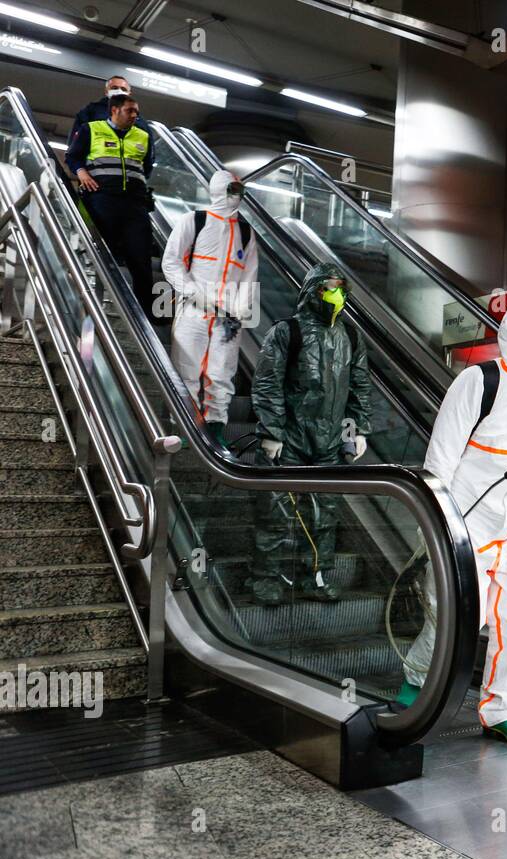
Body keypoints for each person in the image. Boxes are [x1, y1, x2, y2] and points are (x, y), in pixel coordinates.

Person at [398, 291, 507, 747]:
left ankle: (502, 709)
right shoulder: (478, 381)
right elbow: (441, 455)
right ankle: (418, 679)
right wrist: (433, 518)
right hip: (466, 514)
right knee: (454, 615)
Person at [248, 264, 372, 606]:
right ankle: (266, 579)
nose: (337, 294)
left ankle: (313, 577)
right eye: (329, 288)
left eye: (341, 288)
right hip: (288, 439)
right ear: (313, 290)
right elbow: (267, 383)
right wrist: (273, 431)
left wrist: (358, 428)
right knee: (274, 513)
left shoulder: (351, 336)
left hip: (329, 442)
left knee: (323, 515)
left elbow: (360, 385)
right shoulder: (287, 332)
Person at [162, 170, 259, 449]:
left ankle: (215, 430)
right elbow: (171, 262)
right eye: (231, 190)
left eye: (239, 192)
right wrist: (194, 292)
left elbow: (249, 276)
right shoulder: (195, 220)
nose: (235, 197)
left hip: (228, 317)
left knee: (222, 373)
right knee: (186, 370)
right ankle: (184, 428)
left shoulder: (246, 232)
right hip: (194, 308)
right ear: (218, 189)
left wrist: (239, 310)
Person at [65, 95, 156, 310]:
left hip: (135, 204)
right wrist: (82, 173)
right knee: (102, 253)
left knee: (141, 256)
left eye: (137, 111)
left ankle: (145, 312)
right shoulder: (92, 129)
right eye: (130, 111)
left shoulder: (143, 135)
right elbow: (73, 157)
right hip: (102, 199)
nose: (135, 115)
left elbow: (147, 167)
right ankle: (87, 304)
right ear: (114, 110)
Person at [70, 75, 132, 145]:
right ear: (106, 91)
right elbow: (74, 141)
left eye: (123, 89)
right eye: (114, 88)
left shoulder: (137, 119)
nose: (119, 91)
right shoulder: (90, 111)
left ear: (129, 94)